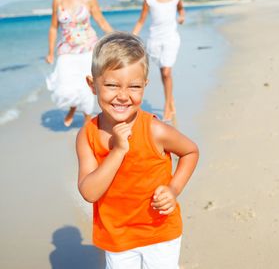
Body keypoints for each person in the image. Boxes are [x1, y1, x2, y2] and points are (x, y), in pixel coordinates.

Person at [76, 32, 199, 268]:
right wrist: (118, 151)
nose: (123, 96)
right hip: (117, 237)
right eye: (111, 85)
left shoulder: (154, 130)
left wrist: (173, 189)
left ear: (144, 85)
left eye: (134, 86)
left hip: (160, 231)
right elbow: (90, 193)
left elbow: (190, 152)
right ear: (93, 85)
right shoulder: (87, 135)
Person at [46, 0, 113, 127]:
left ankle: (87, 118)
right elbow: (54, 27)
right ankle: (73, 107)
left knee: (87, 84)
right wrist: (50, 52)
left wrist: (116, 39)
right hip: (66, 49)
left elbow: (101, 21)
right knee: (65, 86)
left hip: (88, 47)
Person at [132, 0, 185, 123]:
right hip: (154, 40)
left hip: (171, 39)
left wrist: (182, 17)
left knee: (167, 72)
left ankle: (167, 105)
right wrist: (131, 37)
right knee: (163, 72)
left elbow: (181, 10)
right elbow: (141, 21)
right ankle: (171, 98)